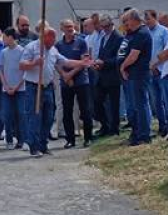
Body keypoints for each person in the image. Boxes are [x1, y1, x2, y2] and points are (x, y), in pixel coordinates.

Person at [19, 26, 91, 157]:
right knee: (34, 117)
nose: (53, 41)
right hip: (34, 87)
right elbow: (22, 65)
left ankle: (43, 144)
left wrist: (82, 63)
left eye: (54, 39)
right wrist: (34, 63)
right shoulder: (31, 47)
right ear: (43, 37)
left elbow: (66, 62)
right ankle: (34, 146)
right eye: (50, 39)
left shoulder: (53, 50)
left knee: (48, 117)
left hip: (47, 87)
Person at [56, 18, 94, 148]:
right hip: (65, 82)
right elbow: (57, 63)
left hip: (81, 81)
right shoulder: (59, 45)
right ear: (62, 28)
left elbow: (85, 62)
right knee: (67, 111)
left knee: (85, 110)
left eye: (72, 26)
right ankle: (70, 139)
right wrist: (64, 76)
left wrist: (70, 74)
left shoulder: (81, 42)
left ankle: (88, 138)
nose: (70, 29)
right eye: (67, 26)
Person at [118, 9, 153, 145]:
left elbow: (134, 55)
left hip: (139, 74)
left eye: (127, 21)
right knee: (134, 105)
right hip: (132, 74)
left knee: (141, 104)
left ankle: (144, 135)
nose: (126, 24)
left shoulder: (142, 33)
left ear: (134, 19)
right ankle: (136, 133)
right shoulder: (133, 33)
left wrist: (122, 67)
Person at [92, 15, 122, 137]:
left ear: (111, 25)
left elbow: (119, 58)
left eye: (106, 26)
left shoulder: (118, 38)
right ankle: (105, 125)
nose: (104, 29)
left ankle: (114, 128)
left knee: (114, 104)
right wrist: (98, 63)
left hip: (113, 75)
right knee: (97, 101)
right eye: (102, 26)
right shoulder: (103, 38)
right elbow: (102, 54)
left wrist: (105, 63)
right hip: (102, 74)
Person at [145, 9, 168, 137]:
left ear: (155, 18)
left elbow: (167, 51)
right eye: (146, 19)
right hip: (149, 70)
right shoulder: (145, 33)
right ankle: (161, 125)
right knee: (155, 101)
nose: (147, 21)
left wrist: (156, 65)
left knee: (165, 99)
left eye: (149, 19)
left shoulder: (164, 32)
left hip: (161, 70)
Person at [0, 30, 26, 149]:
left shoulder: (22, 51)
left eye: (4, 37)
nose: (3, 40)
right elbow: (1, 69)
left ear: (11, 37)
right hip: (6, 88)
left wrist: (17, 87)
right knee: (7, 114)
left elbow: (25, 71)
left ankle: (21, 139)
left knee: (21, 114)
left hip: (20, 89)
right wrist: (5, 85)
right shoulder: (3, 52)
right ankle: (9, 139)